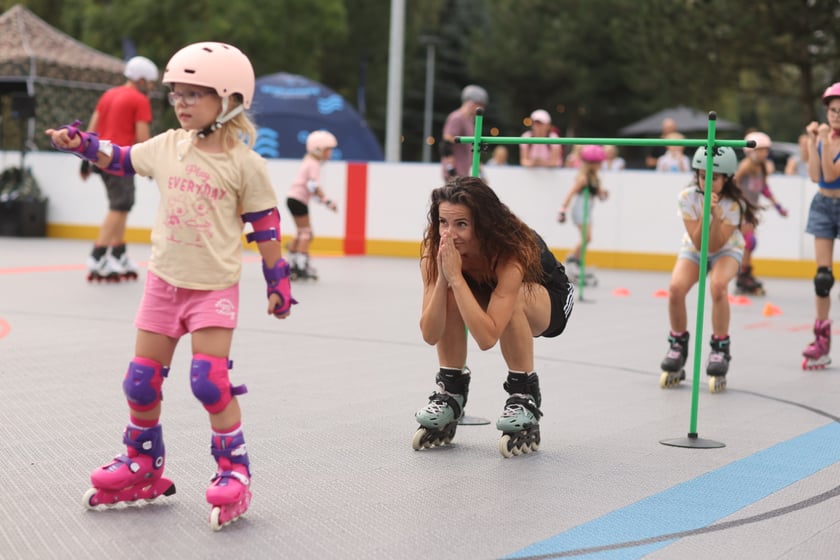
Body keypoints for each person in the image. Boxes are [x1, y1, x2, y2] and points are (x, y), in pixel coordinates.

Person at [45, 42, 296, 530]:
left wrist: (277, 279)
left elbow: (264, 224)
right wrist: (83, 145)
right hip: (163, 284)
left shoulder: (246, 165)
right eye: (176, 94)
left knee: (210, 382)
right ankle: (142, 463)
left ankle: (234, 471)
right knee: (140, 382)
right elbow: (119, 158)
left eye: (194, 94)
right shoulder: (167, 145)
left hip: (213, 288)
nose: (180, 103)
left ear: (229, 100)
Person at [412, 176, 574, 458]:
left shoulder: (510, 249)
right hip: (488, 291)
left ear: (483, 224)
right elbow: (430, 333)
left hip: (547, 299)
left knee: (516, 299)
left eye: (461, 224)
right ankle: (451, 392)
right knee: (449, 293)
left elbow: (487, 338)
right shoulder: (436, 247)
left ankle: (523, 396)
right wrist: (443, 280)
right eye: (443, 222)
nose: (450, 233)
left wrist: (457, 280)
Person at [660, 146, 760, 393]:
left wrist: (714, 213)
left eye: (713, 178)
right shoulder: (687, 197)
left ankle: (719, 348)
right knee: (675, 288)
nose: (707, 182)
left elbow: (714, 244)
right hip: (694, 248)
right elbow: (698, 243)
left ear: (726, 178)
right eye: (702, 176)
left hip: (727, 249)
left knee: (718, 287)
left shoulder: (734, 205)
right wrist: (706, 213)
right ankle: (678, 344)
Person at [81, 56, 158, 282]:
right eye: (151, 82)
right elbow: (143, 137)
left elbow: (93, 126)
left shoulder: (108, 94)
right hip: (121, 159)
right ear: (142, 80)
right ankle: (97, 254)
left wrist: (85, 159)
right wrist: (153, 163)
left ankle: (118, 252)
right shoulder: (140, 100)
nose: (152, 87)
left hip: (100, 157)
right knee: (119, 205)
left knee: (123, 205)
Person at [802, 82, 840, 370]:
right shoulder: (822, 137)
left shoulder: (830, 139)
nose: (836, 115)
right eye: (832, 110)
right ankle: (821, 340)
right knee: (823, 278)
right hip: (823, 206)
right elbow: (816, 176)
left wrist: (824, 142)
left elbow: (832, 172)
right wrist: (811, 142)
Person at [733, 131, 788, 295]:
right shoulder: (745, 166)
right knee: (748, 242)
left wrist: (778, 206)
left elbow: (764, 188)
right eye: (760, 150)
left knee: (750, 244)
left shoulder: (761, 167)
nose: (764, 153)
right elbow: (733, 184)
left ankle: (745, 273)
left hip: (751, 210)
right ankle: (743, 275)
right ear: (750, 151)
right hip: (742, 210)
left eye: (765, 150)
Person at [285, 130, 339, 280]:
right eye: (328, 150)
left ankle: (292, 265)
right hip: (299, 200)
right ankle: (302, 266)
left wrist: (320, 199)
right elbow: (313, 186)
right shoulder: (314, 164)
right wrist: (327, 201)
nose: (330, 153)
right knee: (306, 233)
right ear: (318, 149)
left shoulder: (308, 161)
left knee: (300, 231)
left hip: (292, 198)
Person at [557, 145, 609, 283]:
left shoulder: (593, 177)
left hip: (588, 208)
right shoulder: (583, 178)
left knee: (587, 238)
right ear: (592, 163)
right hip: (581, 208)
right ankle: (570, 260)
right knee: (586, 237)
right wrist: (562, 210)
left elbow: (598, 194)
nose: (600, 165)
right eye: (599, 162)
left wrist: (603, 193)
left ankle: (575, 261)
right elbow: (571, 193)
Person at [440, 84, 488, 179]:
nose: (482, 109)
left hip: (463, 173)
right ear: (471, 102)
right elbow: (446, 145)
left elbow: (472, 148)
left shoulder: (469, 121)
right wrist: (451, 170)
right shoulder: (457, 118)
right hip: (455, 173)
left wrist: (481, 173)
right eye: (480, 105)